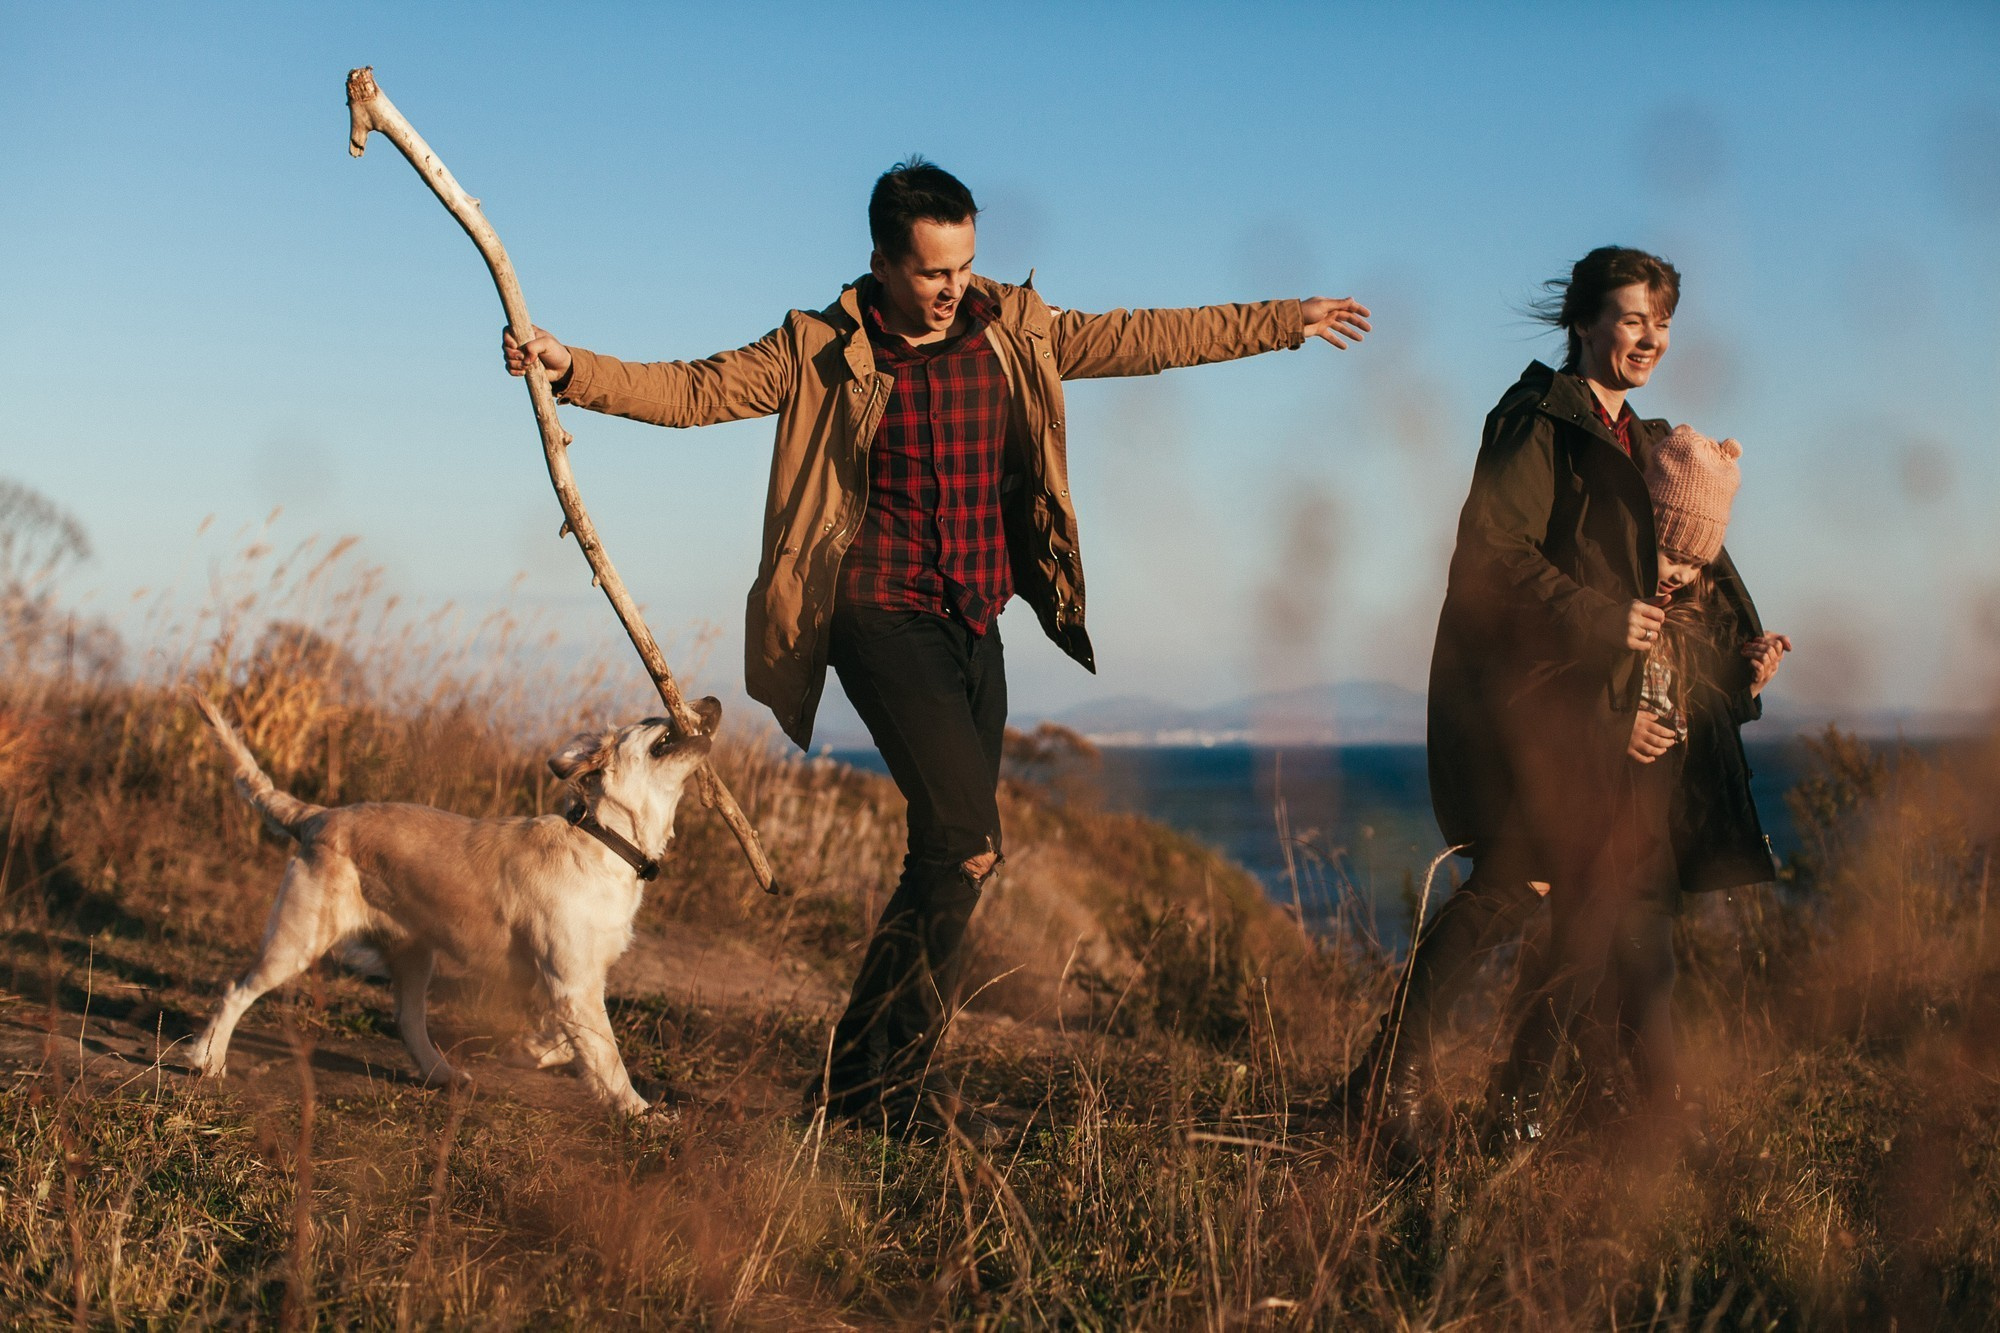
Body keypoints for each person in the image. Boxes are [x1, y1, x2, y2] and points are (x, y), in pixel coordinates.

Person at [503, 159, 1371, 1140]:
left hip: (971, 616)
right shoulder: (820, 348)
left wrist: (1282, 319)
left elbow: (1143, 336)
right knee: (964, 840)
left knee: (954, 854)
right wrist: (571, 368)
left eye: (962, 264)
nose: (951, 286)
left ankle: (853, 1086)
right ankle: (894, 1089)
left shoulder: (1014, 329)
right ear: (879, 261)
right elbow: (696, 389)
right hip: (872, 612)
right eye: (929, 271)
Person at [1327, 246, 1684, 1156]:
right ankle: (1449, 1102)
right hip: (1531, 701)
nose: (1650, 337)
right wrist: (1603, 621)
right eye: (1633, 318)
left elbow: (1659, 572)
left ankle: (1496, 1104)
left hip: (1591, 705)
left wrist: (1712, 653)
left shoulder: (1631, 436)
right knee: (1526, 882)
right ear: (1584, 321)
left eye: (1662, 322)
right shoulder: (1541, 420)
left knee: (1572, 892)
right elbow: (1493, 553)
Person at [1486, 425, 1789, 1145]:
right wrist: (1614, 728)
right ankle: (1518, 1101)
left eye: (1694, 558)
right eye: (1669, 549)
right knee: (1579, 955)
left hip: (1654, 818)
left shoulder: (1693, 613)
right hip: (1594, 808)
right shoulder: (1598, 604)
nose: (1679, 570)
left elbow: (1707, 709)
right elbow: (1544, 699)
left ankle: (1662, 1103)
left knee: (1653, 964)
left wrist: (1747, 677)